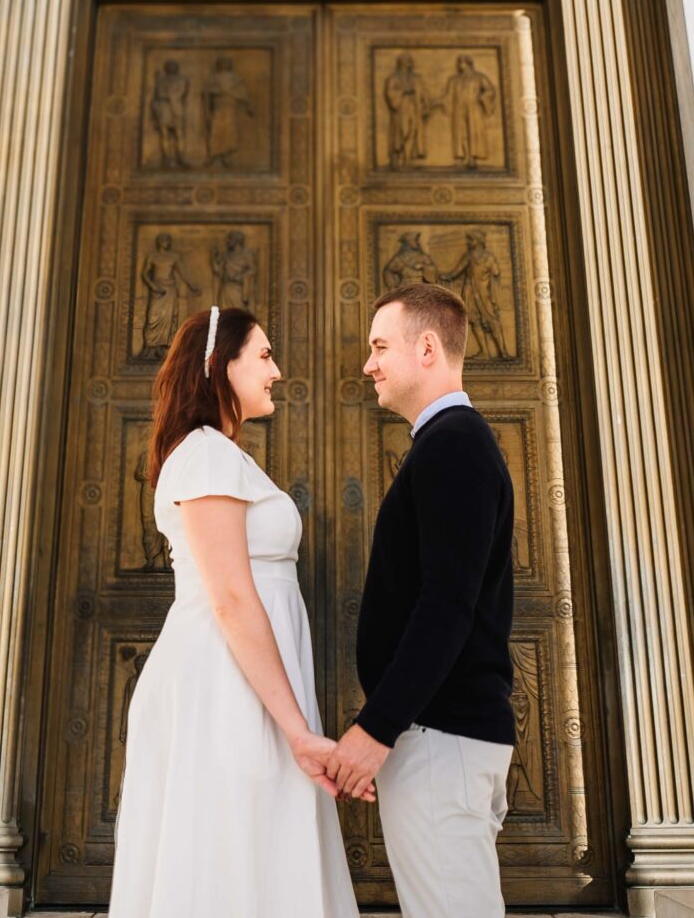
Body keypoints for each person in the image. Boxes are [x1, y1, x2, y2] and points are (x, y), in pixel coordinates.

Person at [110, 306, 359, 918]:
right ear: (221, 366)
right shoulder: (205, 457)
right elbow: (230, 595)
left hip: (249, 682)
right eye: (265, 356)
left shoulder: (223, 455)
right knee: (229, 848)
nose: (276, 371)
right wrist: (297, 731)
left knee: (258, 843)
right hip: (221, 685)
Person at [323, 283, 518, 918]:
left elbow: (447, 605)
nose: (368, 364)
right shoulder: (445, 442)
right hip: (441, 735)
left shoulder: (454, 442)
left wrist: (375, 728)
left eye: (381, 346)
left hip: (442, 737)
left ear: (427, 348)